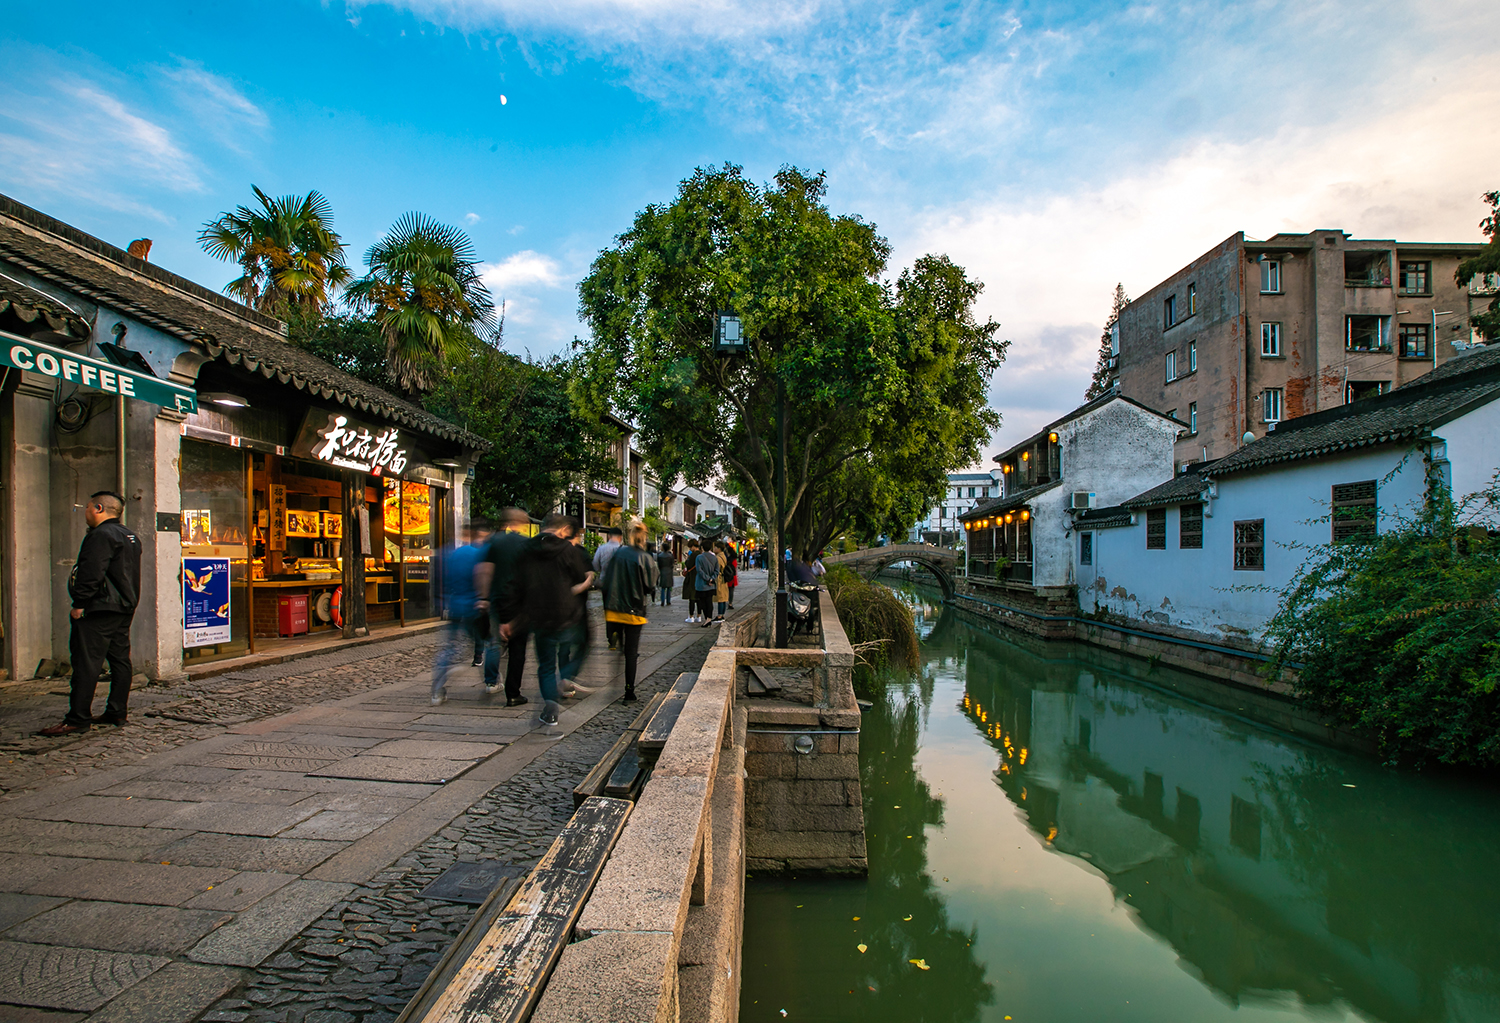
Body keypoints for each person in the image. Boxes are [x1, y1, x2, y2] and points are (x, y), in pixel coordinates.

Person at [39, 491, 141, 736]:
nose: (84, 512)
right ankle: (117, 711)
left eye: (86, 507)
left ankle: (78, 717)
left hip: (101, 607)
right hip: (123, 606)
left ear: (98, 508)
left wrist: (80, 603)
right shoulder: (130, 536)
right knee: (119, 660)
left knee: (86, 663)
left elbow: (91, 572)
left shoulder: (101, 535)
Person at [502, 514, 595, 731]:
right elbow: (580, 580)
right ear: (562, 529)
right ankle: (565, 678)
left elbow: (513, 585)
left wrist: (507, 617)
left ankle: (551, 710)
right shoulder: (569, 550)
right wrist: (586, 583)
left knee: (545, 665)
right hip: (567, 614)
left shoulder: (524, 550)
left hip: (538, 615)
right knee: (582, 646)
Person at [475, 508, 531, 708]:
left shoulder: (494, 542)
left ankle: (491, 681)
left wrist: (483, 598)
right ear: (519, 521)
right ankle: (513, 693)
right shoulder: (526, 543)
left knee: (495, 643)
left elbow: (484, 571)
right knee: (518, 651)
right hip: (520, 603)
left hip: (498, 601)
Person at [430, 519, 486, 706]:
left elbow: (443, 580)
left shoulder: (451, 555)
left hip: (454, 605)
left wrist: (443, 600)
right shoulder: (478, 554)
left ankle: (437, 688)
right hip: (473, 607)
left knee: (449, 647)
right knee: (486, 643)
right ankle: (491, 680)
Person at [602, 522, 653, 702]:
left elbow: (607, 580)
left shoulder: (618, 554)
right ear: (644, 537)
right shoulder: (645, 557)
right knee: (631, 654)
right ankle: (629, 691)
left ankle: (614, 638)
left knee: (621, 649)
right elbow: (650, 585)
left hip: (614, 609)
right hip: (634, 612)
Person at [593, 527, 624, 650]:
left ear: (609, 536)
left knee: (608, 609)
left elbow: (595, 566)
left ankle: (611, 639)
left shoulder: (601, 548)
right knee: (621, 609)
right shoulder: (624, 550)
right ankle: (621, 636)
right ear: (620, 537)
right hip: (621, 585)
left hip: (606, 583)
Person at [694, 541, 721, 627]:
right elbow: (717, 570)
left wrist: (707, 578)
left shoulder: (699, 557)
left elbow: (699, 570)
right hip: (711, 584)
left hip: (701, 584)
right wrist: (712, 579)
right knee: (709, 601)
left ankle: (707, 619)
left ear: (702, 548)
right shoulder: (714, 558)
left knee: (702, 602)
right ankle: (709, 618)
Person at [682, 541, 702, 623]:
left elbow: (688, 564)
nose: (690, 549)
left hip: (692, 577)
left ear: (693, 546)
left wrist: (687, 558)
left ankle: (691, 616)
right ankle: (699, 615)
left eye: (690, 547)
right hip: (699, 577)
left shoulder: (694, 555)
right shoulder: (701, 554)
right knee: (699, 598)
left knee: (692, 598)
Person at [712, 540, 730, 622]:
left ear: (719, 548)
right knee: (723, 597)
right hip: (723, 579)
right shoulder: (723, 556)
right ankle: (722, 614)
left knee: (720, 598)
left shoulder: (718, 558)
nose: (714, 549)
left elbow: (716, 569)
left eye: (715, 547)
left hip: (719, 579)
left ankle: (720, 615)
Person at [653, 540, 675, 606]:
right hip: (669, 571)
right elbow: (672, 564)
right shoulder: (670, 555)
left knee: (662, 587)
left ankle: (662, 601)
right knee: (669, 588)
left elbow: (659, 564)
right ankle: (668, 601)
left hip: (662, 571)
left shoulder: (659, 556)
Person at [724, 541, 739, 610]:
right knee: (731, 590)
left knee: (727, 590)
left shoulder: (727, 558)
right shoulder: (734, 559)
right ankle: (730, 603)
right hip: (732, 576)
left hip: (727, 575)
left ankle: (726, 602)